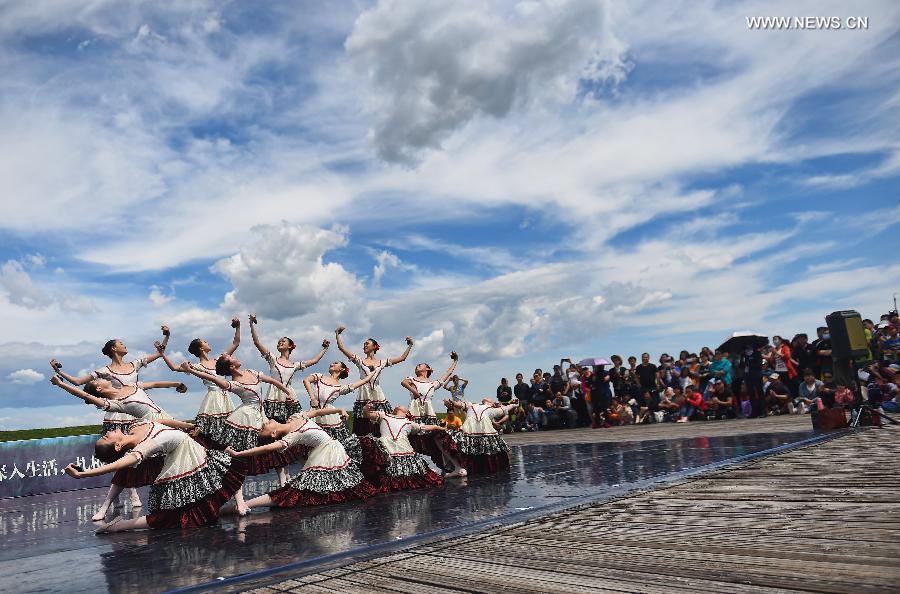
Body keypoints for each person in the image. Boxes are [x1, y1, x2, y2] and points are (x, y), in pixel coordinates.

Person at [49, 325, 171, 513]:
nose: (124, 345)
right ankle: (127, 494)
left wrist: (166, 336)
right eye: (121, 343)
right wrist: (60, 373)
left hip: (137, 411)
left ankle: (132, 492)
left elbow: (159, 354)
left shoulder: (134, 364)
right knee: (120, 453)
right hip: (117, 410)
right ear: (114, 348)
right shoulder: (104, 371)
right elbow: (78, 382)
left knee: (135, 454)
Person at [49, 375, 194, 520]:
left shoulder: (130, 386)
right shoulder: (117, 403)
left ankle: (186, 498)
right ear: (99, 388)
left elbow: (155, 382)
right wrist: (61, 384)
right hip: (148, 431)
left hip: (163, 421)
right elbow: (85, 395)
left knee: (180, 460)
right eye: (95, 381)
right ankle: (105, 507)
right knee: (126, 470)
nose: (99, 378)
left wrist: (177, 383)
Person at [64, 420, 246, 533]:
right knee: (175, 518)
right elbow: (123, 463)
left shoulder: (136, 425)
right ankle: (119, 525)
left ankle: (231, 507)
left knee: (225, 472)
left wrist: (189, 426)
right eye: (105, 438)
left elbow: (162, 420)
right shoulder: (145, 445)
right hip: (185, 465)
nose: (106, 433)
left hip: (196, 457)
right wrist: (83, 474)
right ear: (118, 446)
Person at [222, 407, 377, 512]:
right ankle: (246, 505)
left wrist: (339, 409)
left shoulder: (294, 417)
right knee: (300, 489)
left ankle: (244, 505)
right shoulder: (292, 436)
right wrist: (238, 454)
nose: (263, 423)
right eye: (264, 429)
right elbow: (266, 448)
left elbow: (316, 412)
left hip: (332, 451)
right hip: (325, 454)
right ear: (274, 433)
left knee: (329, 485)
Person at [177, 354, 298, 481]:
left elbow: (273, 381)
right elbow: (211, 377)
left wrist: (288, 393)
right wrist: (190, 370)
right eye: (231, 357)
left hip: (260, 415)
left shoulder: (251, 372)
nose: (235, 356)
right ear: (231, 366)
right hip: (245, 419)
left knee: (275, 448)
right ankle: (236, 494)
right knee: (239, 459)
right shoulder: (233, 384)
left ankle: (284, 482)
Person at [159, 319, 240, 446]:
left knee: (227, 429)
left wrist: (237, 327)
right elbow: (174, 368)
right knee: (212, 431)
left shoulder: (219, 360)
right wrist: (162, 354)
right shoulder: (196, 366)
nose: (208, 343)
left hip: (225, 397)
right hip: (213, 399)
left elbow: (236, 343)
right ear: (201, 348)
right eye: (205, 342)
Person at [334, 325, 414, 436]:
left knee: (381, 419)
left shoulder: (382, 362)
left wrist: (410, 345)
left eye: (367, 343)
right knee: (363, 421)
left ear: (374, 346)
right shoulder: (360, 361)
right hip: (364, 393)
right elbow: (342, 348)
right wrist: (337, 334)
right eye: (364, 344)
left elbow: (402, 358)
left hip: (378, 393)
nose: (364, 345)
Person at [249, 314, 329, 423]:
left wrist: (325, 348)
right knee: (272, 422)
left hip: (289, 395)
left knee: (292, 422)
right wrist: (251, 323)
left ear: (290, 346)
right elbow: (257, 343)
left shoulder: (294, 365)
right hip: (274, 395)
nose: (280, 342)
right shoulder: (273, 359)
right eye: (279, 342)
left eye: (283, 341)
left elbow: (315, 360)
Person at [358, 404, 451, 488]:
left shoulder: (409, 423)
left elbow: (427, 427)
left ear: (407, 413)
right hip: (385, 447)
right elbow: (368, 415)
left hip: (403, 447)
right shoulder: (384, 415)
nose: (398, 404)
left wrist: (440, 428)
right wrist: (366, 409)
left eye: (401, 405)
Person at [302, 363, 377, 462]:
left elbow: (365, 380)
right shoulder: (320, 376)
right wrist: (312, 397)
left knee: (328, 446)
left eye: (336, 363)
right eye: (332, 363)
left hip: (328, 416)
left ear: (342, 369)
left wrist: (375, 370)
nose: (332, 364)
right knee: (307, 446)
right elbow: (306, 380)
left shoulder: (340, 387)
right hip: (313, 413)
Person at [441, 398, 517, 475]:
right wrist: (451, 402)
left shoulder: (492, 410)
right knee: (446, 439)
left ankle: (465, 468)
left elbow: (506, 408)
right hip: (470, 431)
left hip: (480, 432)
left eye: (489, 399)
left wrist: (514, 404)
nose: (487, 397)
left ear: (492, 404)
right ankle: (456, 466)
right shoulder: (472, 405)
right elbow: (460, 404)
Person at [401, 352, 460, 426]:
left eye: (420, 365)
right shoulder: (412, 379)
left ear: (427, 369)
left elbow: (448, 373)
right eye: (416, 366)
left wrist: (455, 360)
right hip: (414, 411)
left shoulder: (432, 384)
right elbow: (404, 382)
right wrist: (414, 391)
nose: (417, 366)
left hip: (428, 414)